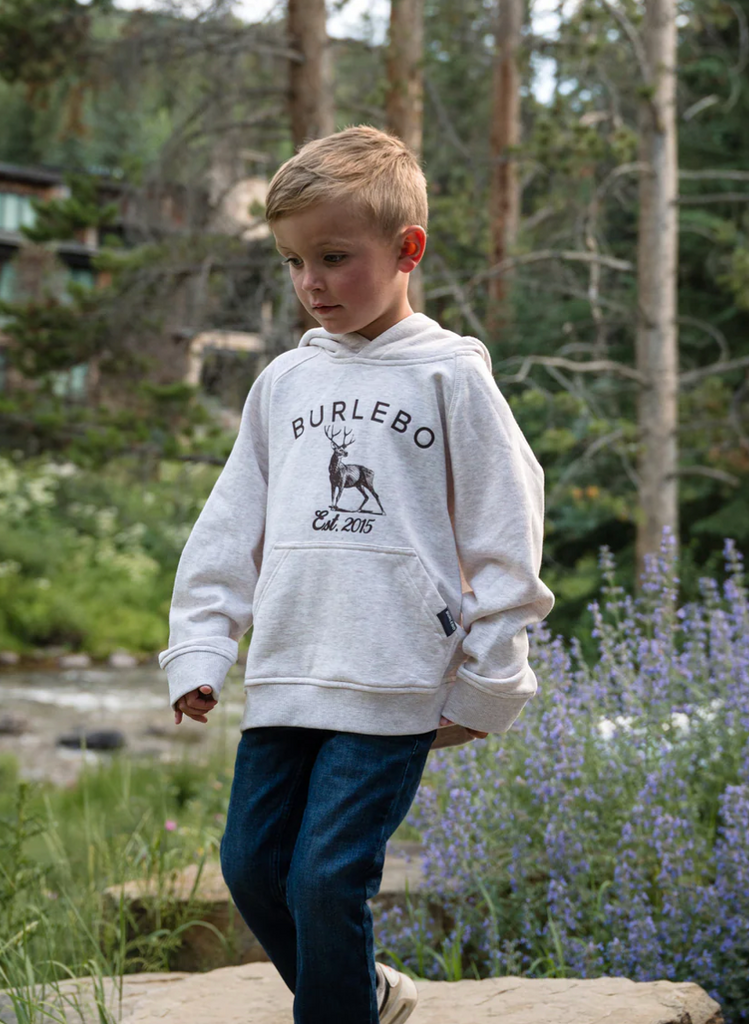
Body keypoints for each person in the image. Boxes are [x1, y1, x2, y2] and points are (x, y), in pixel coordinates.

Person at [158, 124, 555, 1024]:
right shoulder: (283, 384)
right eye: (294, 262)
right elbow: (229, 529)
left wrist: (489, 681)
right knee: (252, 868)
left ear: (407, 249)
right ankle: (363, 993)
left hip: (393, 680)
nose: (311, 283)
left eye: (334, 258)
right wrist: (201, 648)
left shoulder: (451, 378)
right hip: (289, 673)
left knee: (326, 877)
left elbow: (506, 533)